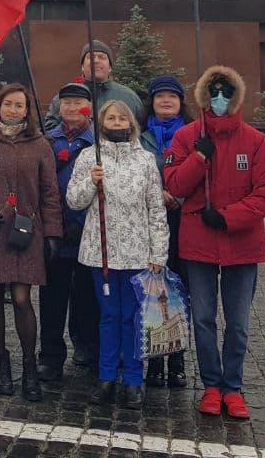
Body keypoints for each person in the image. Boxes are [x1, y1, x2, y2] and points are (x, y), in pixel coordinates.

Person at [163, 65, 265, 421]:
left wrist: (228, 218)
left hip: (241, 245)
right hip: (199, 244)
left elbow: (264, 194)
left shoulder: (255, 141)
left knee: (238, 322)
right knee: (205, 319)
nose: (220, 100)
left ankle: (233, 387)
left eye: (227, 93)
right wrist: (199, 158)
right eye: (214, 93)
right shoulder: (186, 137)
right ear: (204, 98)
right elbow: (175, 185)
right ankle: (212, 385)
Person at [0, 83, 62, 402]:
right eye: (9, 104)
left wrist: (51, 234)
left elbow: (50, 192)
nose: (14, 110)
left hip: (25, 231)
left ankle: (29, 364)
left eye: (20, 105)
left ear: (28, 111)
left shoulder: (40, 145)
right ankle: (2, 361)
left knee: (21, 299)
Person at [66, 100, 167, 409]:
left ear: (131, 122)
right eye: (111, 117)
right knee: (109, 316)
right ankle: (107, 376)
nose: (117, 121)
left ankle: (134, 379)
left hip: (138, 253)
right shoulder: (88, 156)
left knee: (133, 316)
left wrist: (159, 253)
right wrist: (90, 181)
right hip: (103, 252)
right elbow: (73, 200)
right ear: (102, 122)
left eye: (122, 117)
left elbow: (155, 208)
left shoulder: (145, 160)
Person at [38, 81, 99, 382]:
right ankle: (50, 356)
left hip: (89, 236)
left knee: (88, 298)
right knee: (52, 299)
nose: (73, 108)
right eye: (67, 103)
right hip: (55, 234)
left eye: (79, 103)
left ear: (89, 107)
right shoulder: (48, 141)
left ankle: (88, 349)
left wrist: (81, 224)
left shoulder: (99, 143)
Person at [138, 74, 188, 389]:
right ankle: (156, 359)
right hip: (150, 222)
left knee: (179, 292)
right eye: (160, 96)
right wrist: (158, 195)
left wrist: (178, 195)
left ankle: (178, 360)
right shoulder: (141, 137)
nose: (166, 101)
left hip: (184, 221)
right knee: (154, 290)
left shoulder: (194, 134)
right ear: (152, 102)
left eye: (172, 96)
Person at [43, 41, 143, 130]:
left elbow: (140, 129)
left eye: (102, 57)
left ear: (110, 67)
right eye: (90, 57)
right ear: (82, 66)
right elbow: (49, 128)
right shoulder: (66, 96)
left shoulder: (129, 97)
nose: (96, 61)